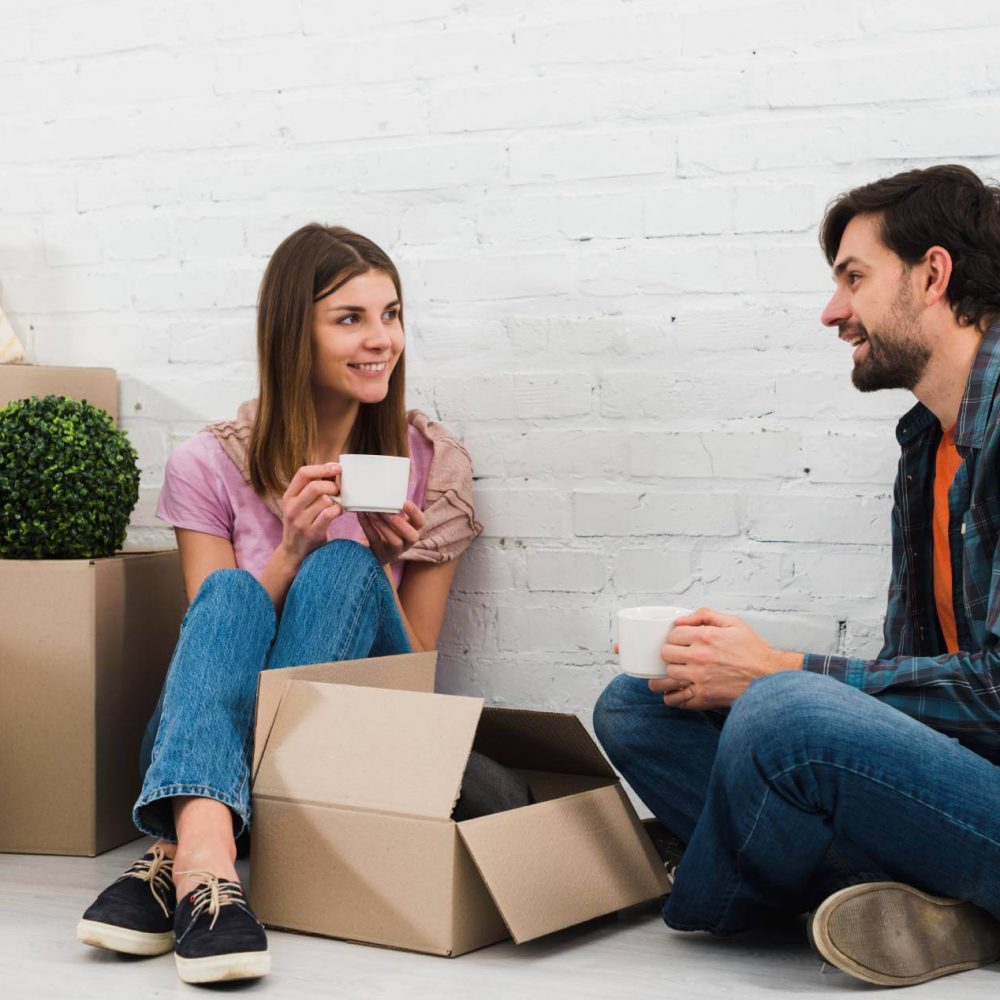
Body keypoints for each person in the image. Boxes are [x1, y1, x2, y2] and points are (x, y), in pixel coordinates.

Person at [594, 165, 1000, 988]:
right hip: (965, 778)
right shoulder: (927, 441)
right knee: (639, 703)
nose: (832, 311)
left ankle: (706, 894)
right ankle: (938, 909)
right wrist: (747, 678)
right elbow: (912, 670)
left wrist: (778, 674)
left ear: (933, 274)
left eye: (853, 278)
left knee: (782, 713)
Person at [76, 224, 481, 984]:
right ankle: (211, 859)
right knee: (234, 588)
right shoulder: (209, 463)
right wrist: (288, 549)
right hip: (209, 729)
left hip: (346, 740)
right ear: (294, 333)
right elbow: (214, 635)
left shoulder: (431, 463)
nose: (381, 340)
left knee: (344, 570)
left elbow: (419, 676)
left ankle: (178, 851)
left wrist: (380, 563)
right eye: (350, 318)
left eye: (391, 314)